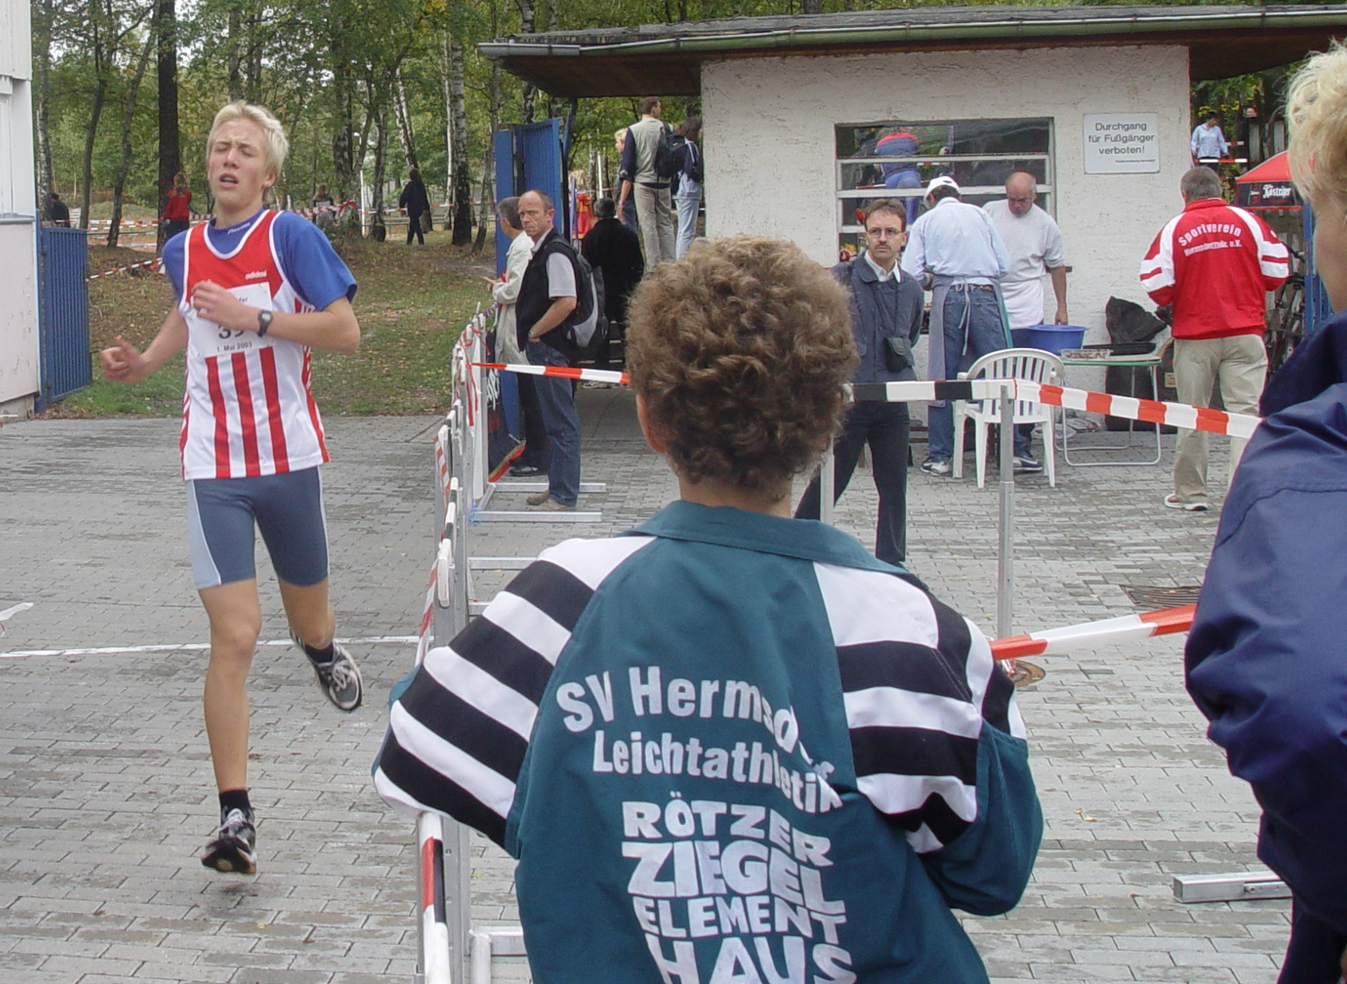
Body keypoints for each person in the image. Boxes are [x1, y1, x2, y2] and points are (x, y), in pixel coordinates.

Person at [374, 237, 1042, 984]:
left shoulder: (563, 601)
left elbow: (417, 747)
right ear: (832, 418)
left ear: (649, 420)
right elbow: (995, 871)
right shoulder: (910, 631)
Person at [99, 102, 364, 877]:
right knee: (237, 634)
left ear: (267, 172)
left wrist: (257, 318)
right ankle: (234, 816)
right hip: (213, 464)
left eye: (244, 150)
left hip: (288, 460)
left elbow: (345, 331)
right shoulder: (180, 249)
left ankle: (321, 649)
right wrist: (145, 363)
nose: (228, 159)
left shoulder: (291, 238)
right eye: (220, 148)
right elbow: (191, 315)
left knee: (307, 618)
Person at [1185, 32, 1347, 984]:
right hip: (1243, 338)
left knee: (1207, 429)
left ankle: (1188, 486)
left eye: (1318, 215)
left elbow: (1316, 709)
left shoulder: (1332, 448)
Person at [1140, 164, 1289, 511]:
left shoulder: (1174, 229)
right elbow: (1277, 272)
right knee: (1245, 414)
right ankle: (1243, 493)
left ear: (1185, 194)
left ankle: (1191, 493)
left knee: (1193, 414)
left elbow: (1156, 285)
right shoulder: (1249, 222)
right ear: (1220, 189)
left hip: (1196, 337)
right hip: (1245, 333)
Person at [796, 199, 923, 563]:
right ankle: (797, 546)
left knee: (895, 487)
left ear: (903, 238)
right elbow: (817, 329)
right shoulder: (841, 278)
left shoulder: (912, 288)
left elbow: (911, 334)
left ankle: (891, 561)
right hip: (850, 401)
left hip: (893, 401)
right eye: (876, 231)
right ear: (865, 235)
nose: (883, 238)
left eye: (891, 232)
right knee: (828, 482)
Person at [901, 176, 1015, 477]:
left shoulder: (926, 221)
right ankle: (1013, 452)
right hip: (985, 293)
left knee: (942, 375)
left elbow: (911, 273)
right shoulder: (980, 214)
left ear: (931, 199)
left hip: (949, 295)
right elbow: (1004, 265)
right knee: (1000, 371)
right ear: (958, 195)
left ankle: (940, 457)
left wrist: (932, 279)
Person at [986, 170, 1068, 467]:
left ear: (1034, 196)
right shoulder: (990, 212)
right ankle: (991, 440)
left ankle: (1021, 444)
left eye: (1022, 200)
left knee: (1024, 375)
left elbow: (1057, 266)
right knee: (992, 372)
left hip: (1027, 301)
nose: (1016, 205)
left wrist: (1062, 306)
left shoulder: (1045, 223)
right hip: (993, 296)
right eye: (1012, 199)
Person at [514, 189, 584, 511]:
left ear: (549, 215)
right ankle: (557, 485)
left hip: (551, 349)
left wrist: (535, 332)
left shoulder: (555, 252)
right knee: (553, 422)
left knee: (561, 423)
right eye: (522, 214)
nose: (526, 219)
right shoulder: (544, 250)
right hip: (546, 348)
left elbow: (566, 301)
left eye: (533, 213)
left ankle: (564, 494)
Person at [490, 197, 546, 480]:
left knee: (534, 399)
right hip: (520, 328)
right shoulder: (524, 245)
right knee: (528, 396)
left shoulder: (522, 247)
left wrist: (497, 290)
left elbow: (515, 290)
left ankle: (539, 455)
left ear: (504, 221)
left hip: (523, 330)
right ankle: (533, 450)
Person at [579, 195, 644, 357]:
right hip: (625, 289)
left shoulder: (590, 237)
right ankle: (630, 361)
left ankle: (601, 364)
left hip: (601, 292)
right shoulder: (629, 234)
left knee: (602, 333)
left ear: (596, 213)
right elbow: (638, 264)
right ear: (614, 211)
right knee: (627, 331)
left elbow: (586, 268)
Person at [618, 96, 677, 266]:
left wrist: (622, 197)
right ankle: (670, 261)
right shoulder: (667, 127)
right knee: (665, 222)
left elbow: (628, 163)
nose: (660, 110)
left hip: (643, 183)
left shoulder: (634, 130)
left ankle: (653, 264)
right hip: (664, 182)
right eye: (659, 107)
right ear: (653, 108)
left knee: (648, 224)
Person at [673, 115, 704, 257]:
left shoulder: (681, 145)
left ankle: (681, 257)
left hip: (680, 190)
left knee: (683, 229)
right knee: (687, 231)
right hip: (689, 191)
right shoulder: (690, 147)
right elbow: (691, 169)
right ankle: (682, 259)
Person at [399, 165, 431, 245]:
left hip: (412, 207)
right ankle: (409, 241)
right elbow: (424, 196)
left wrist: (401, 205)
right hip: (420, 207)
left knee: (415, 224)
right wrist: (426, 207)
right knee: (412, 224)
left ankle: (421, 240)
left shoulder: (410, 185)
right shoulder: (421, 185)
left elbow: (404, 196)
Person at [162, 174, 193, 245]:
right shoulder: (187, 193)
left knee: (173, 240)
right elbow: (187, 203)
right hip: (184, 219)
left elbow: (168, 207)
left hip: (174, 220)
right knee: (184, 240)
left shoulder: (171, 194)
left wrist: (165, 217)